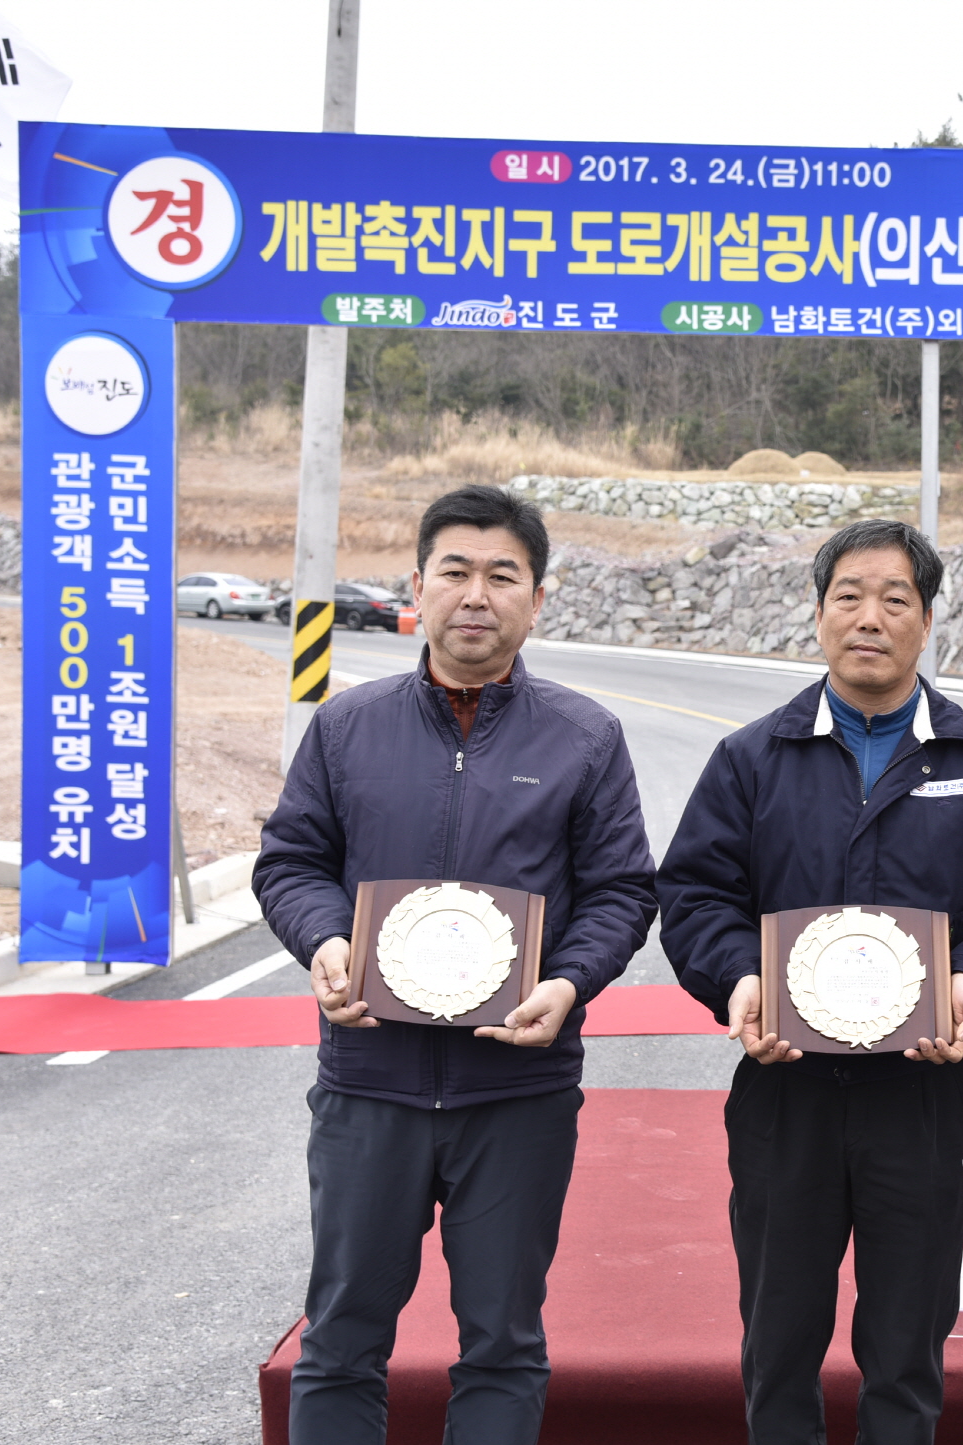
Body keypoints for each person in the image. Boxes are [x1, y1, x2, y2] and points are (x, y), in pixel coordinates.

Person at [255, 484, 657, 1445]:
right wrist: (325, 943)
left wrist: (566, 984)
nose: (476, 595)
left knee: (503, 1345)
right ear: (418, 587)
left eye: (502, 576)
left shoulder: (585, 736)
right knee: (342, 1338)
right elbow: (291, 862)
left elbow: (622, 891)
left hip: (517, 1092)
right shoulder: (348, 728)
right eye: (456, 572)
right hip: (368, 1087)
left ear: (537, 598)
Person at [657, 517, 963, 1445]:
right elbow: (693, 893)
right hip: (782, 1089)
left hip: (922, 1094)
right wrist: (736, 981)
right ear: (818, 614)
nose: (870, 617)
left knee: (907, 1351)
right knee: (778, 1344)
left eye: (895, 599)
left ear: (927, 622)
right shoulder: (752, 758)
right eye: (849, 595)